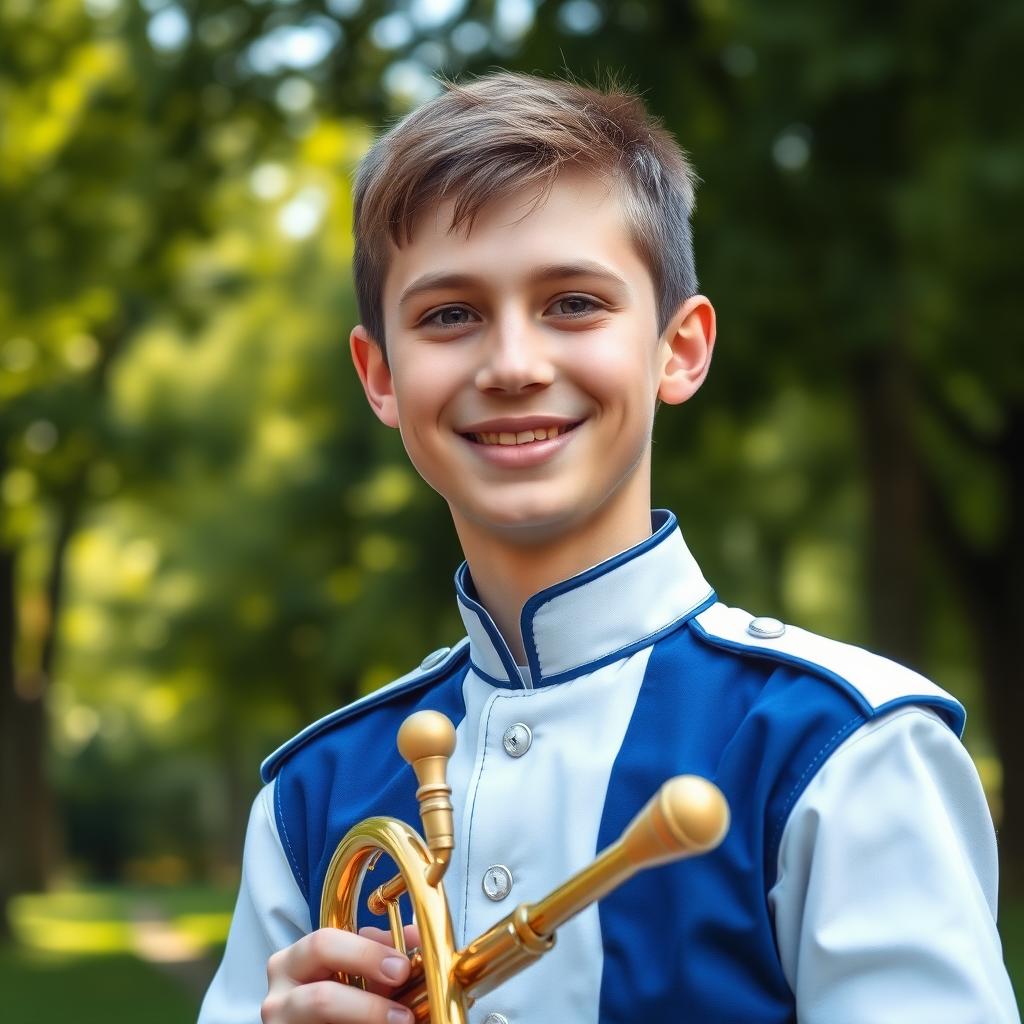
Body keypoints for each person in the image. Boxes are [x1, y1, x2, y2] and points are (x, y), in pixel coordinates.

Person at [198, 72, 1019, 1024]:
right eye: (449, 316)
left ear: (680, 349)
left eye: (575, 304)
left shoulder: (847, 750)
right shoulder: (308, 797)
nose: (512, 365)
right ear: (381, 376)